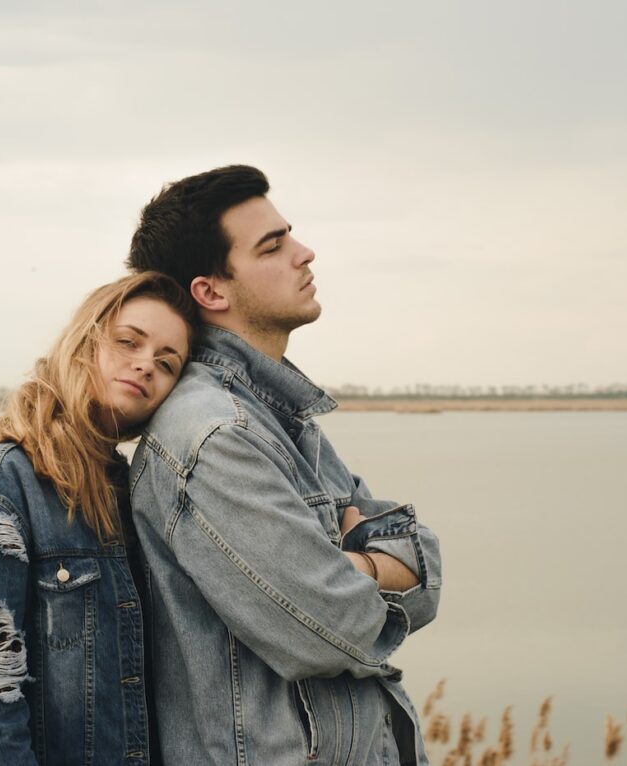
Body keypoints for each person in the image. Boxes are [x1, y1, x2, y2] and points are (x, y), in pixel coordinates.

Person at [126, 165, 443, 765]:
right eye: (273, 246)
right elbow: (332, 626)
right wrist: (372, 564)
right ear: (211, 291)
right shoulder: (214, 437)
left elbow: (424, 568)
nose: (305, 253)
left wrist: (350, 566)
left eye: (289, 235)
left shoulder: (286, 422)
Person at [0, 271, 197, 765]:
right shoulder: (4, 486)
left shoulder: (134, 491)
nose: (145, 366)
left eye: (167, 364)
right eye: (128, 343)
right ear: (84, 342)